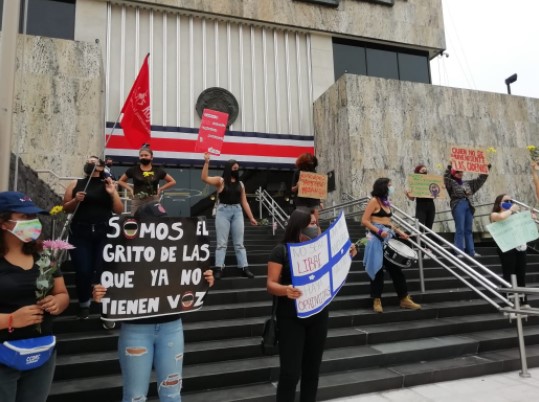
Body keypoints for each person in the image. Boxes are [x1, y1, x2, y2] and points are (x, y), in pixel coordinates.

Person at [92, 203, 215, 402]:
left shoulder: (179, 250)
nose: (161, 228)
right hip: (135, 330)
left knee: (172, 394)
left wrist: (205, 278)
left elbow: (193, 274)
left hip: (172, 326)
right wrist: (99, 294)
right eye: (156, 223)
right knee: (135, 397)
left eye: (163, 222)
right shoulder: (119, 249)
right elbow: (106, 280)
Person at [266, 208, 357, 402]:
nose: (316, 226)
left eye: (316, 223)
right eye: (311, 223)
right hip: (291, 318)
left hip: (318, 315)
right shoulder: (281, 251)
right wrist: (285, 290)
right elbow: (270, 284)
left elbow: (335, 266)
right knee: (290, 373)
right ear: (298, 226)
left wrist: (348, 253)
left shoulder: (323, 249)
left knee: (312, 371)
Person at [0, 191, 69, 402]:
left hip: (42, 354)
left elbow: (62, 293)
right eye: (24, 217)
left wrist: (58, 302)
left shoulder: (44, 256)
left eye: (34, 217)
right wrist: (10, 319)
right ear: (3, 222)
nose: (32, 222)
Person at [63, 156, 124, 320]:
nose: (89, 163)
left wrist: (113, 193)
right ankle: (84, 304)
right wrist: (76, 200)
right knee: (83, 270)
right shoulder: (76, 184)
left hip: (104, 233)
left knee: (104, 270)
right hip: (80, 233)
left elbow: (119, 209)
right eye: (88, 161)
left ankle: (107, 308)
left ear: (101, 167)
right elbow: (65, 207)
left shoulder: (108, 184)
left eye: (93, 161)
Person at [362, 178, 421, 313]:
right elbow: (364, 220)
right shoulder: (373, 201)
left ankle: (404, 299)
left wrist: (400, 232)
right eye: (389, 185)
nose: (392, 187)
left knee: (396, 270)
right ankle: (376, 300)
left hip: (388, 237)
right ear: (383, 187)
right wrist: (379, 231)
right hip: (375, 239)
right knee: (377, 270)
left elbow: (389, 222)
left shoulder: (386, 203)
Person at [201, 152, 257, 279]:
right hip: (223, 211)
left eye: (238, 169)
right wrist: (206, 162)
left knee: (239, 243)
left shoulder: (241, 184)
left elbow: (244, 201)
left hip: (237, 211)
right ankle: (219, 268)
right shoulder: (220, 181)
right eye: (234, 168)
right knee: (221, 243)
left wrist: (251, 217)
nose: (237, 170)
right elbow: (204, 178)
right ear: (229, 169)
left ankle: (244, 267)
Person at [490, 194, 530, 308]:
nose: (509, 202)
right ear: (499, 203)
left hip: (519, 245)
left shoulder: (515, 214)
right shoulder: (495, 214)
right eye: (506, 200)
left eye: (510, 200)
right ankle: (507, 301)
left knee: (521, 274)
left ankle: (524, 301)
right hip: (506, 246)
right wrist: (511, 210)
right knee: (508, 273)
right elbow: (501, 218)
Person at [444, 164, 489, 257]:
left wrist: (486, 170)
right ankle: (459, 251)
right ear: (453, 173)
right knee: (460, 228)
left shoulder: (468, 183)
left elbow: (479, 181)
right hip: (458, 205)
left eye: (461, 172)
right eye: (457, 172)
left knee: (468, 230)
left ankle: (471, 251)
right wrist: (450, 165)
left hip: (469, 205)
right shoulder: (450, 183)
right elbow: (446, 177)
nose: (460, 174)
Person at [117, 144, 177, 214]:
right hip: (137, 200)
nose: (143, 157)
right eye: (141, 155)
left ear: (151, 157)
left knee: (153, 220)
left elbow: (172, 181)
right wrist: (130, 189)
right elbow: (120, 181)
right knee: (136, 220)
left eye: (146, 155)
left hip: (153, 199)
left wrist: (160, 189)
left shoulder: (158, 171)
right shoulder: (133, 170)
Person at [405, 164, 436, 254]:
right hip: (421, 206)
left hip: (431, 205)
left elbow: (434, 195)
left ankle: (428, 248)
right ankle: (421, 248)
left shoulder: (430, 181)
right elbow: (412, 198)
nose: (424, 172)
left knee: (429, 228)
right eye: (422, 170)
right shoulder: (415, 182)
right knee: (420, 227)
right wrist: (407, 194)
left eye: (425, 170)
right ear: (417, 171)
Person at [291, 153, 323, 221]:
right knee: (302, 223)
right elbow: (292, 189)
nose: (310, 163)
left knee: (316, 223)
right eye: (308, 161)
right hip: (302, 203)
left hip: (313, 202)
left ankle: (318, 231)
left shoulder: (314, 172)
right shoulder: (297, 172)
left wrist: (320, 202)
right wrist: (297, 186)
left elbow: (317, 189)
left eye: (311, 161)